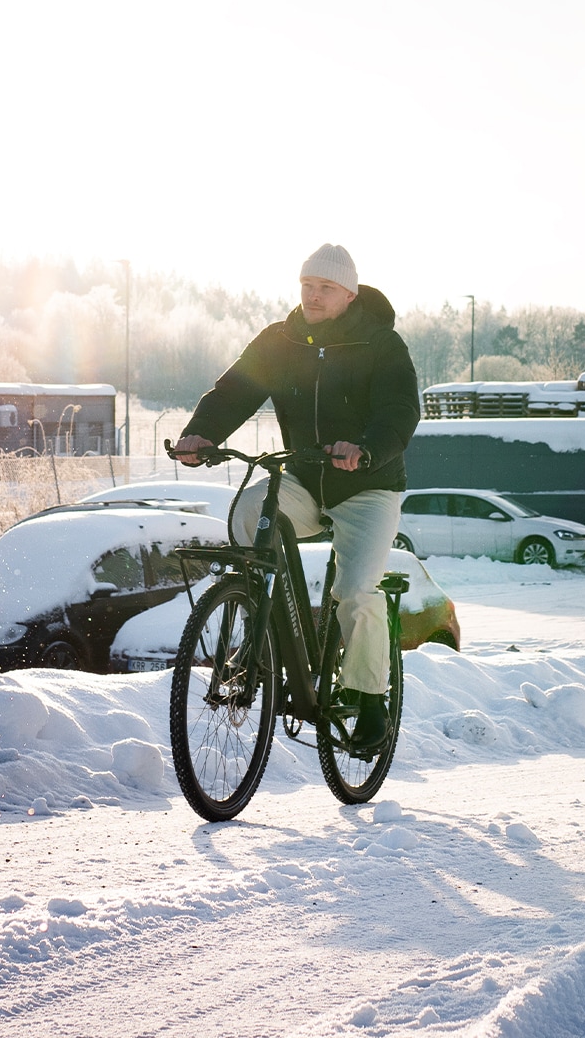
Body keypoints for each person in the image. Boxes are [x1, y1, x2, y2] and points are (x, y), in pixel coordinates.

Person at [172, 243, 421, 753]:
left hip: (368, 487)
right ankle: (261, 635)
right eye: (307, 285)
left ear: (349, 295)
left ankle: (371, 698)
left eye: (325, 288)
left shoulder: (382, 344)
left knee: (355, 592)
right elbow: (233, 391)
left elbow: (399, 412)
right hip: (305, 479)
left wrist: (367, 449)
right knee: (246, 513)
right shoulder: (280, 340)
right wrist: (200, 435)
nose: (313, 295)